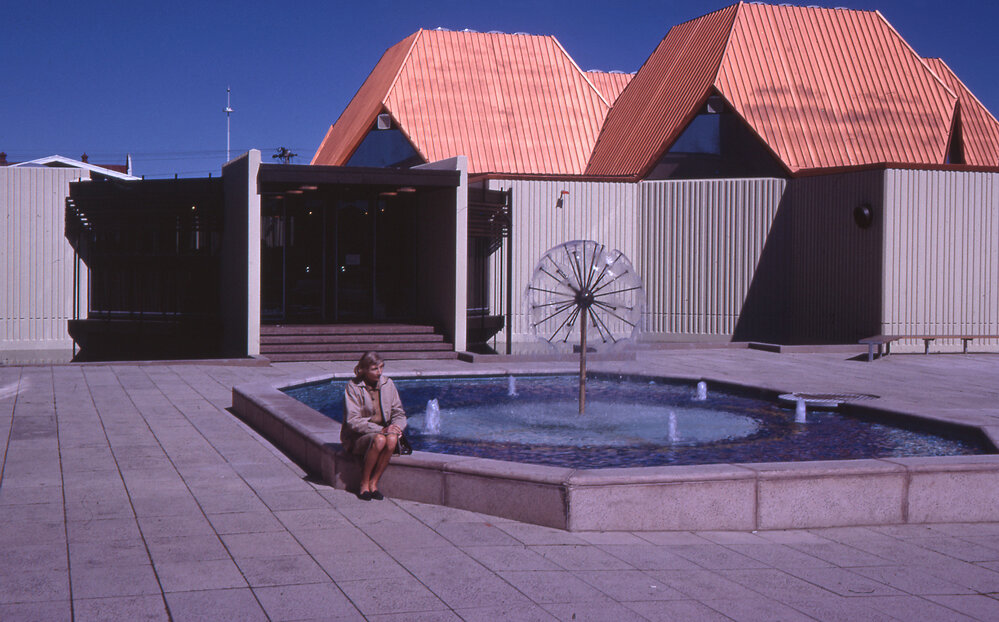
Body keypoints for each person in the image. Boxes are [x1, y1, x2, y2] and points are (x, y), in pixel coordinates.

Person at [342, 351, 406, 500]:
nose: (379, 372)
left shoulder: (388, 383)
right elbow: (353, 420)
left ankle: (374, 483)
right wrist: (381, 429)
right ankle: (364, 484)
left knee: (391, 439)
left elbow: (399, 413)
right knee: (380, 439)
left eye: (381, 367)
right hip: (360, 435)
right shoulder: (353, 386)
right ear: (364, 369)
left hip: (385, 433)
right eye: (374, 369)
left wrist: (397, 428)